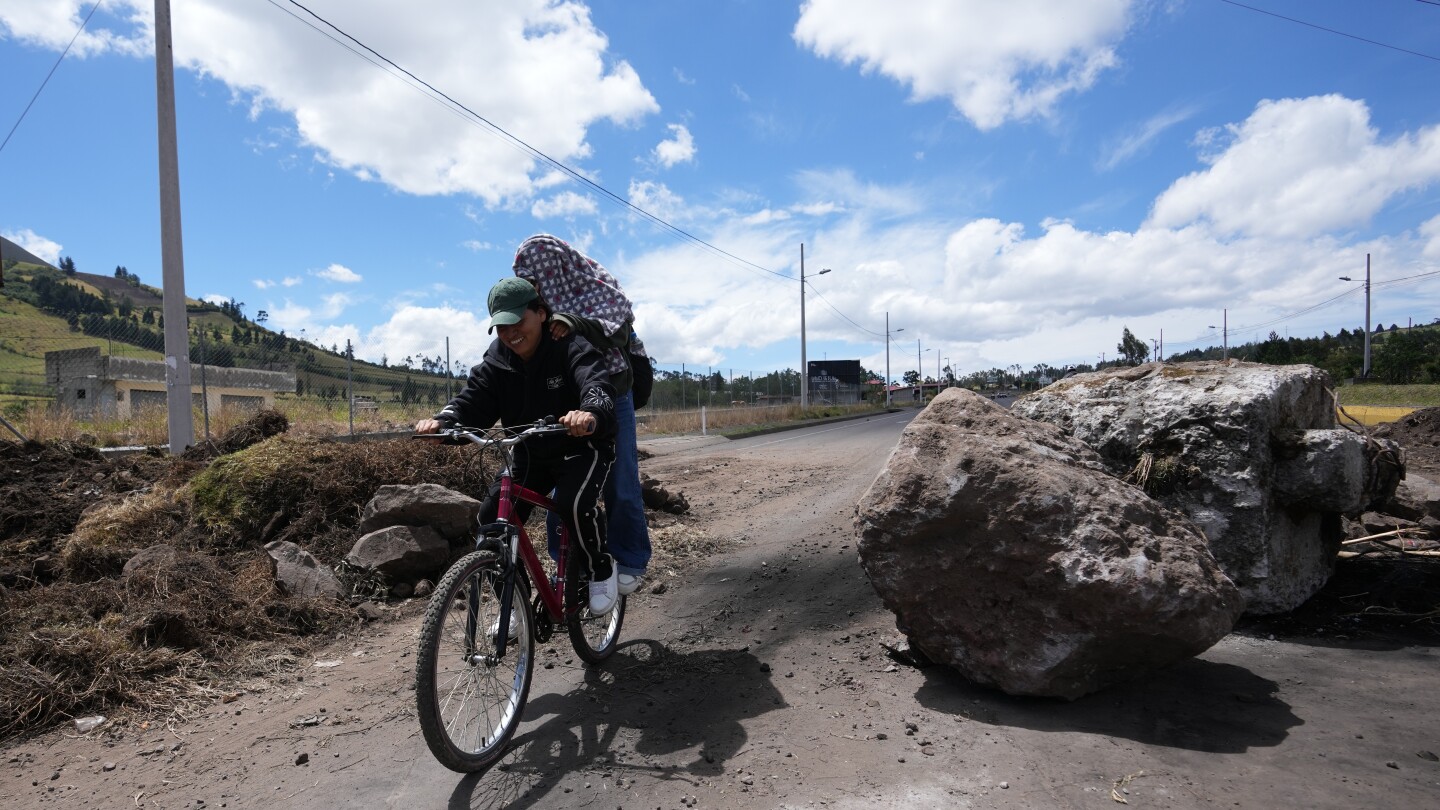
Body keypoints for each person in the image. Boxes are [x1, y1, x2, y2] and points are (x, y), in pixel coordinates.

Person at [414, 277, 620, 615]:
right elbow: (472, 401)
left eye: (517, 321)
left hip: (582, 446)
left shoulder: (570, 347)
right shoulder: (498, 361)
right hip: (530, 453)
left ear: (541, 313)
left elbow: (595, 383)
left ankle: (600, 566)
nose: (510, 334)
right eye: (501, 327)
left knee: (572, 502)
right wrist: (444, 422)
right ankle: (515, 604)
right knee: (490, 517)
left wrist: (589, 413)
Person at [512, 234, 651, 595]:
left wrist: (576, 323)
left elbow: (618, 334)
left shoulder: (595, 287)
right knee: (564, 487)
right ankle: (568, 567)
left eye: (534, 276)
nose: (532, 284)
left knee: (621, 479)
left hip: (611, 394)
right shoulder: (534, 305)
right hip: (565, 400)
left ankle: (631, 557)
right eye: (524, 277)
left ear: (553, 268)